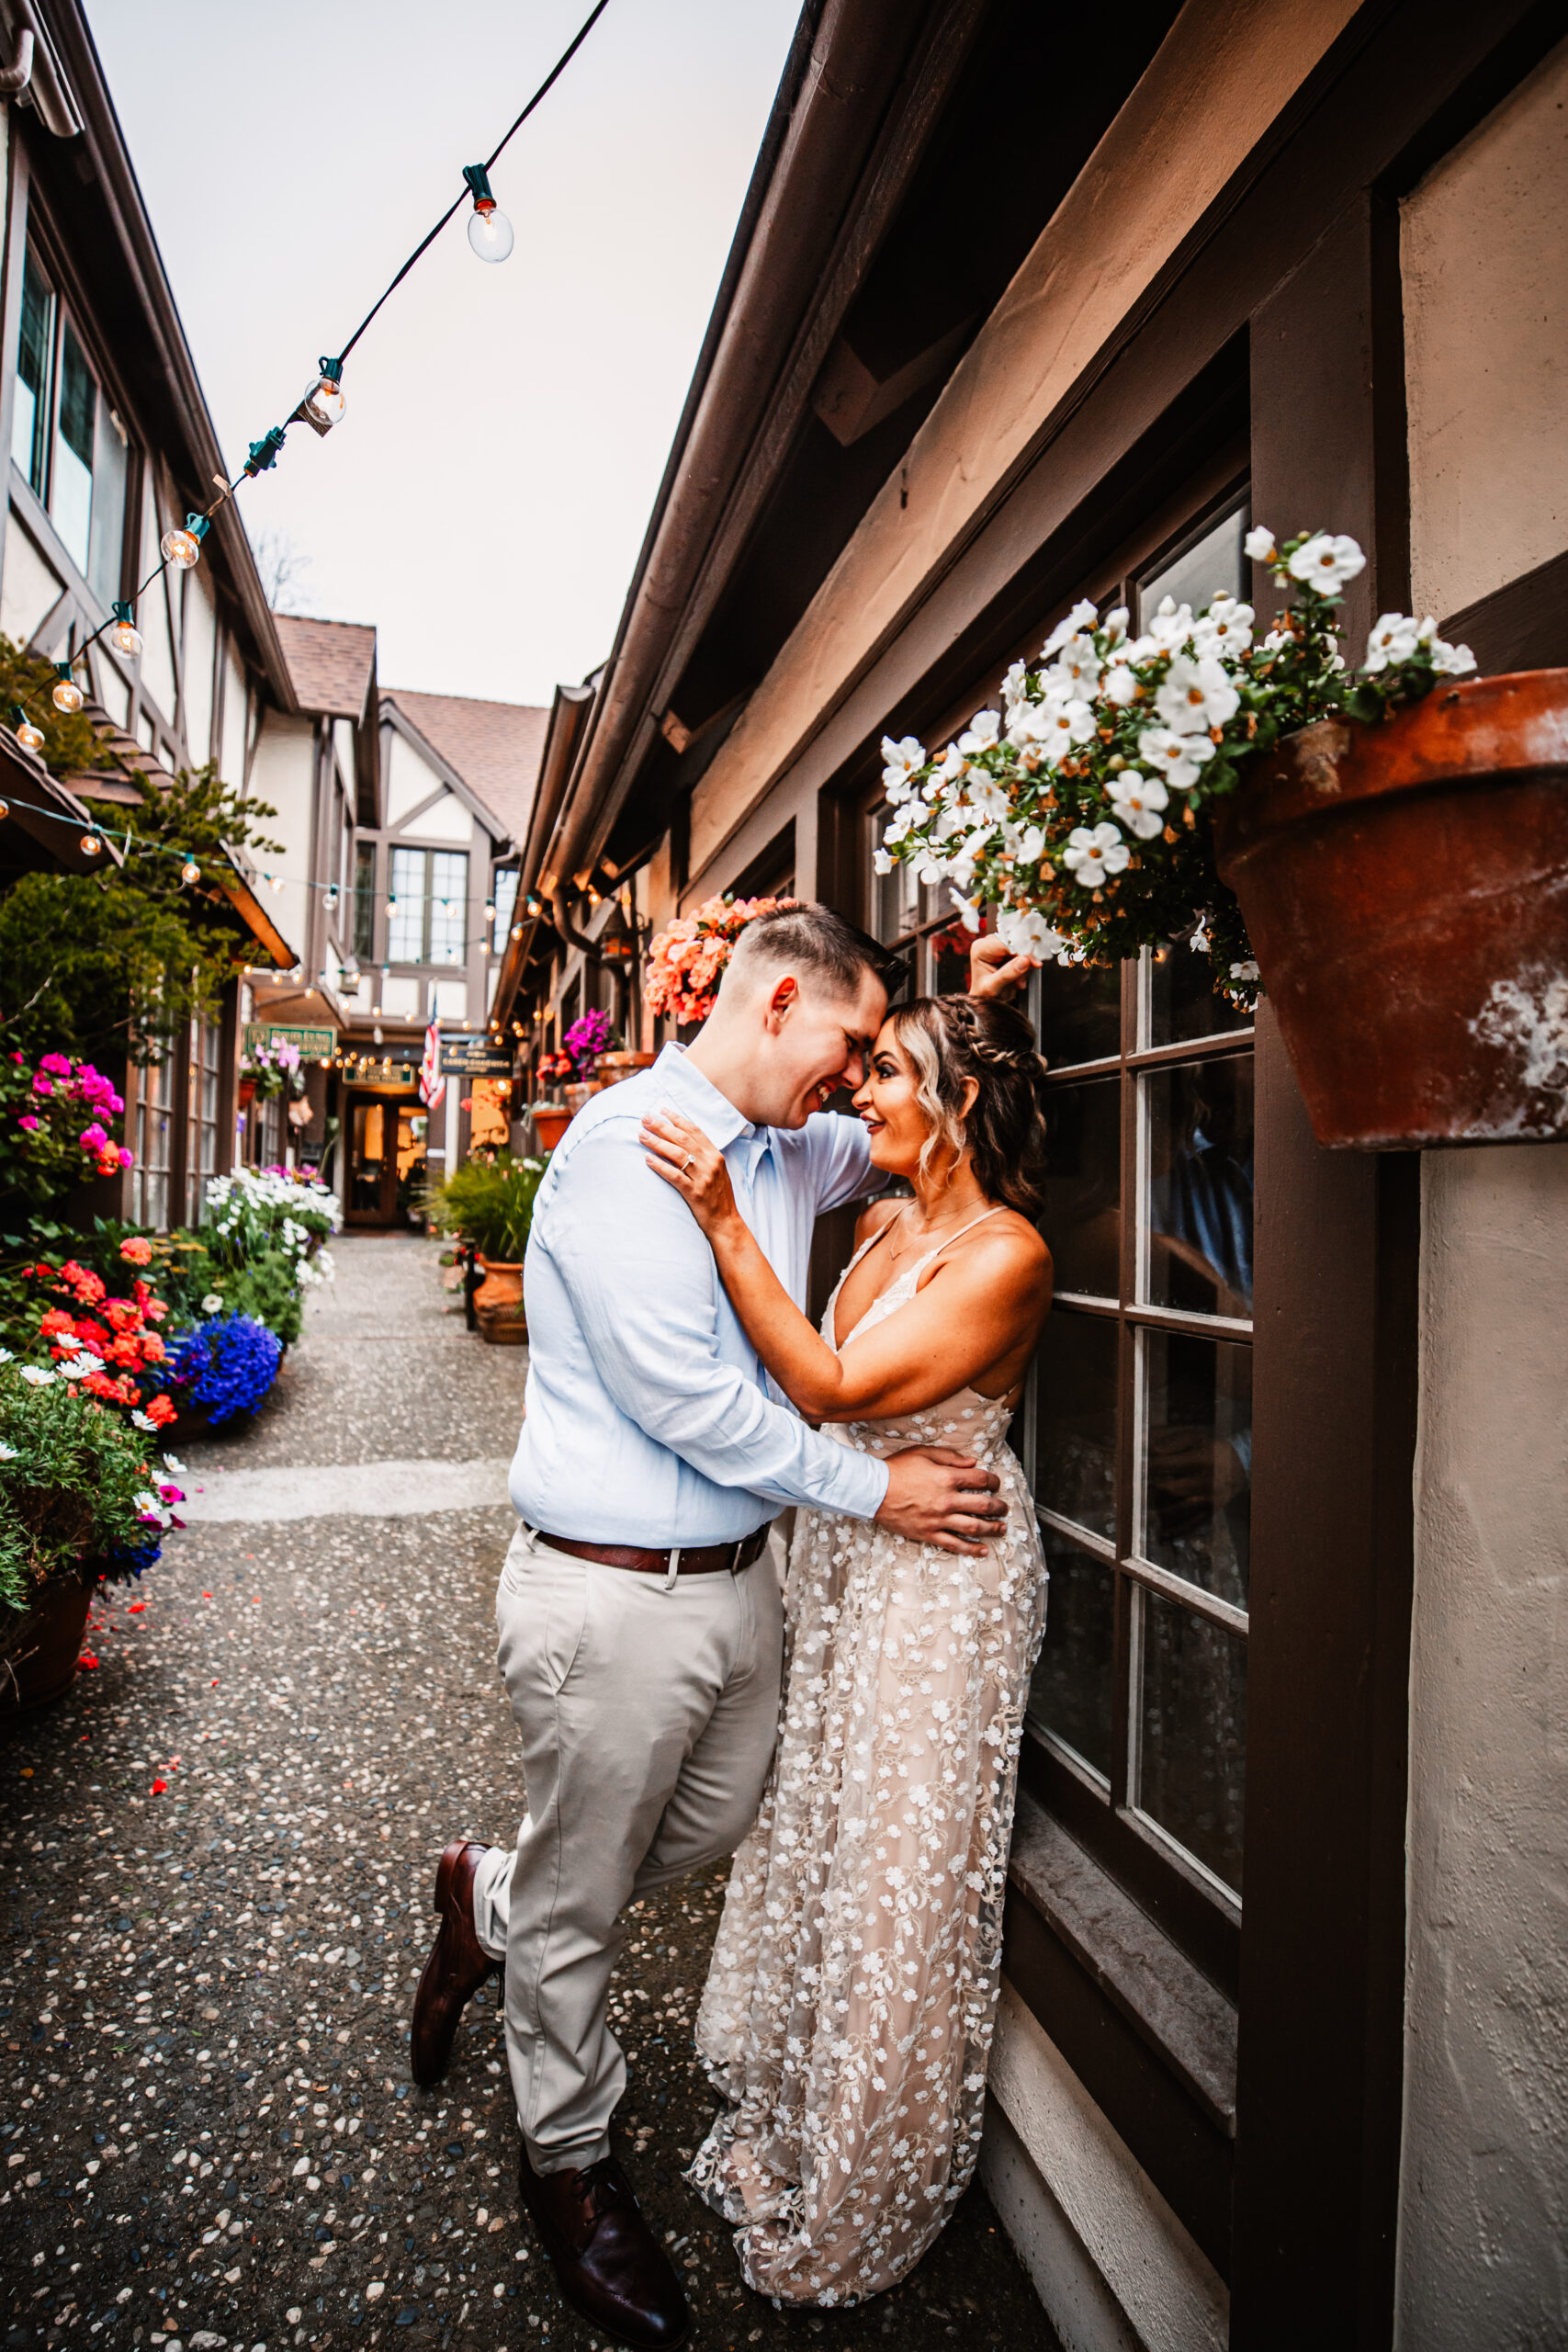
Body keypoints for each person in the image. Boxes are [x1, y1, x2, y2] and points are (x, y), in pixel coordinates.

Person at [407, 906, 1032, 2352]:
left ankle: (485, 1901)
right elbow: (691, 1401)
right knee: (585, 1903)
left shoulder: (787, 1143)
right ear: (776, 1008)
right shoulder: (628, 1148)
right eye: (846, 1042)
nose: (858, 1071)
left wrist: (980, 1005)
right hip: (611, 1592)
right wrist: (877, 1491)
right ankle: (568, 2164)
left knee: (690, 1834)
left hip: (743, 1583)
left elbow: (920, 1123)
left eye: (876, 1055)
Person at [638, 989, 1053, 2307]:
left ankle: (869, 2168)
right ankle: (797, 2087)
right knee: (816, 1821)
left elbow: (828, 1390)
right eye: (862, 1068)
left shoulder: (1006, 1256)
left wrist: (716, 1214)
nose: (861, 1093)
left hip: (944, 1582)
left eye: (887, 1074)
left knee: (901, 1860)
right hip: (853, 1556)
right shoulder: (875, 1224)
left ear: (961, 1099)